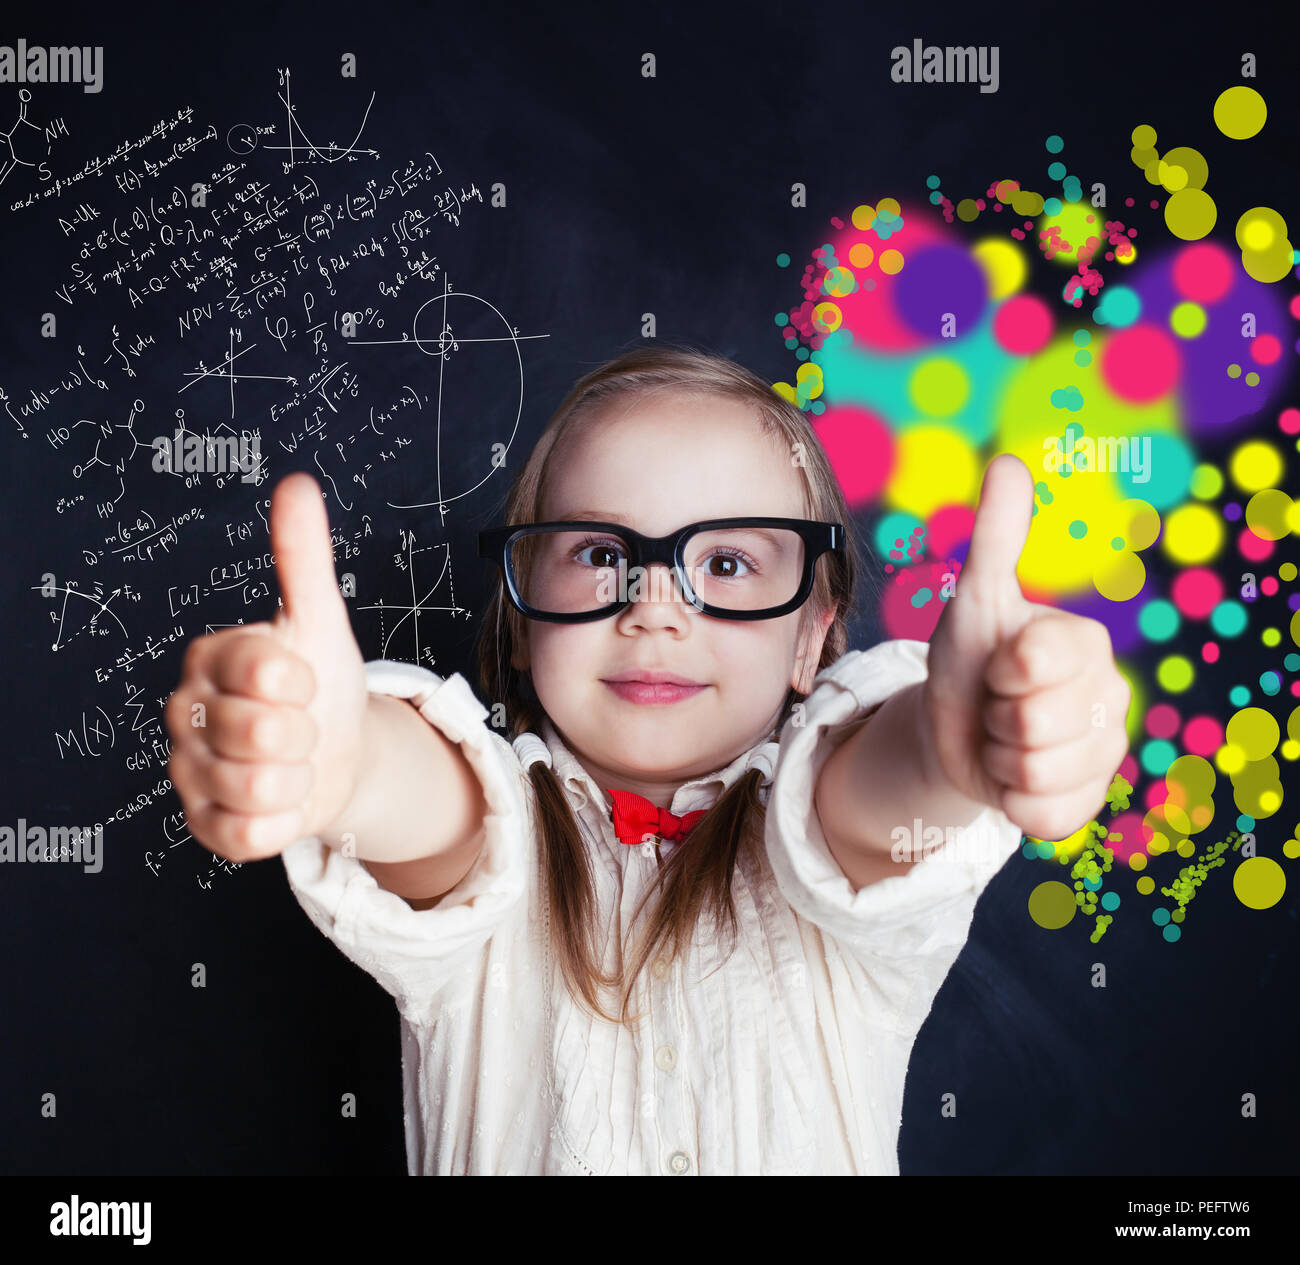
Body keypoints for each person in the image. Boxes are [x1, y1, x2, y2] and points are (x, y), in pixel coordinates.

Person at [165, 344, 1131, 1175]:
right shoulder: (485, 845)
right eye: (597, 552)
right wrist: (350, 770)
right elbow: (437, 814)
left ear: (812, 641)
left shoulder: (834, 834)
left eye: (727, 564)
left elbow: (871, 802)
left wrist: (947, 749)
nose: (655, 607)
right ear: (520, 619)